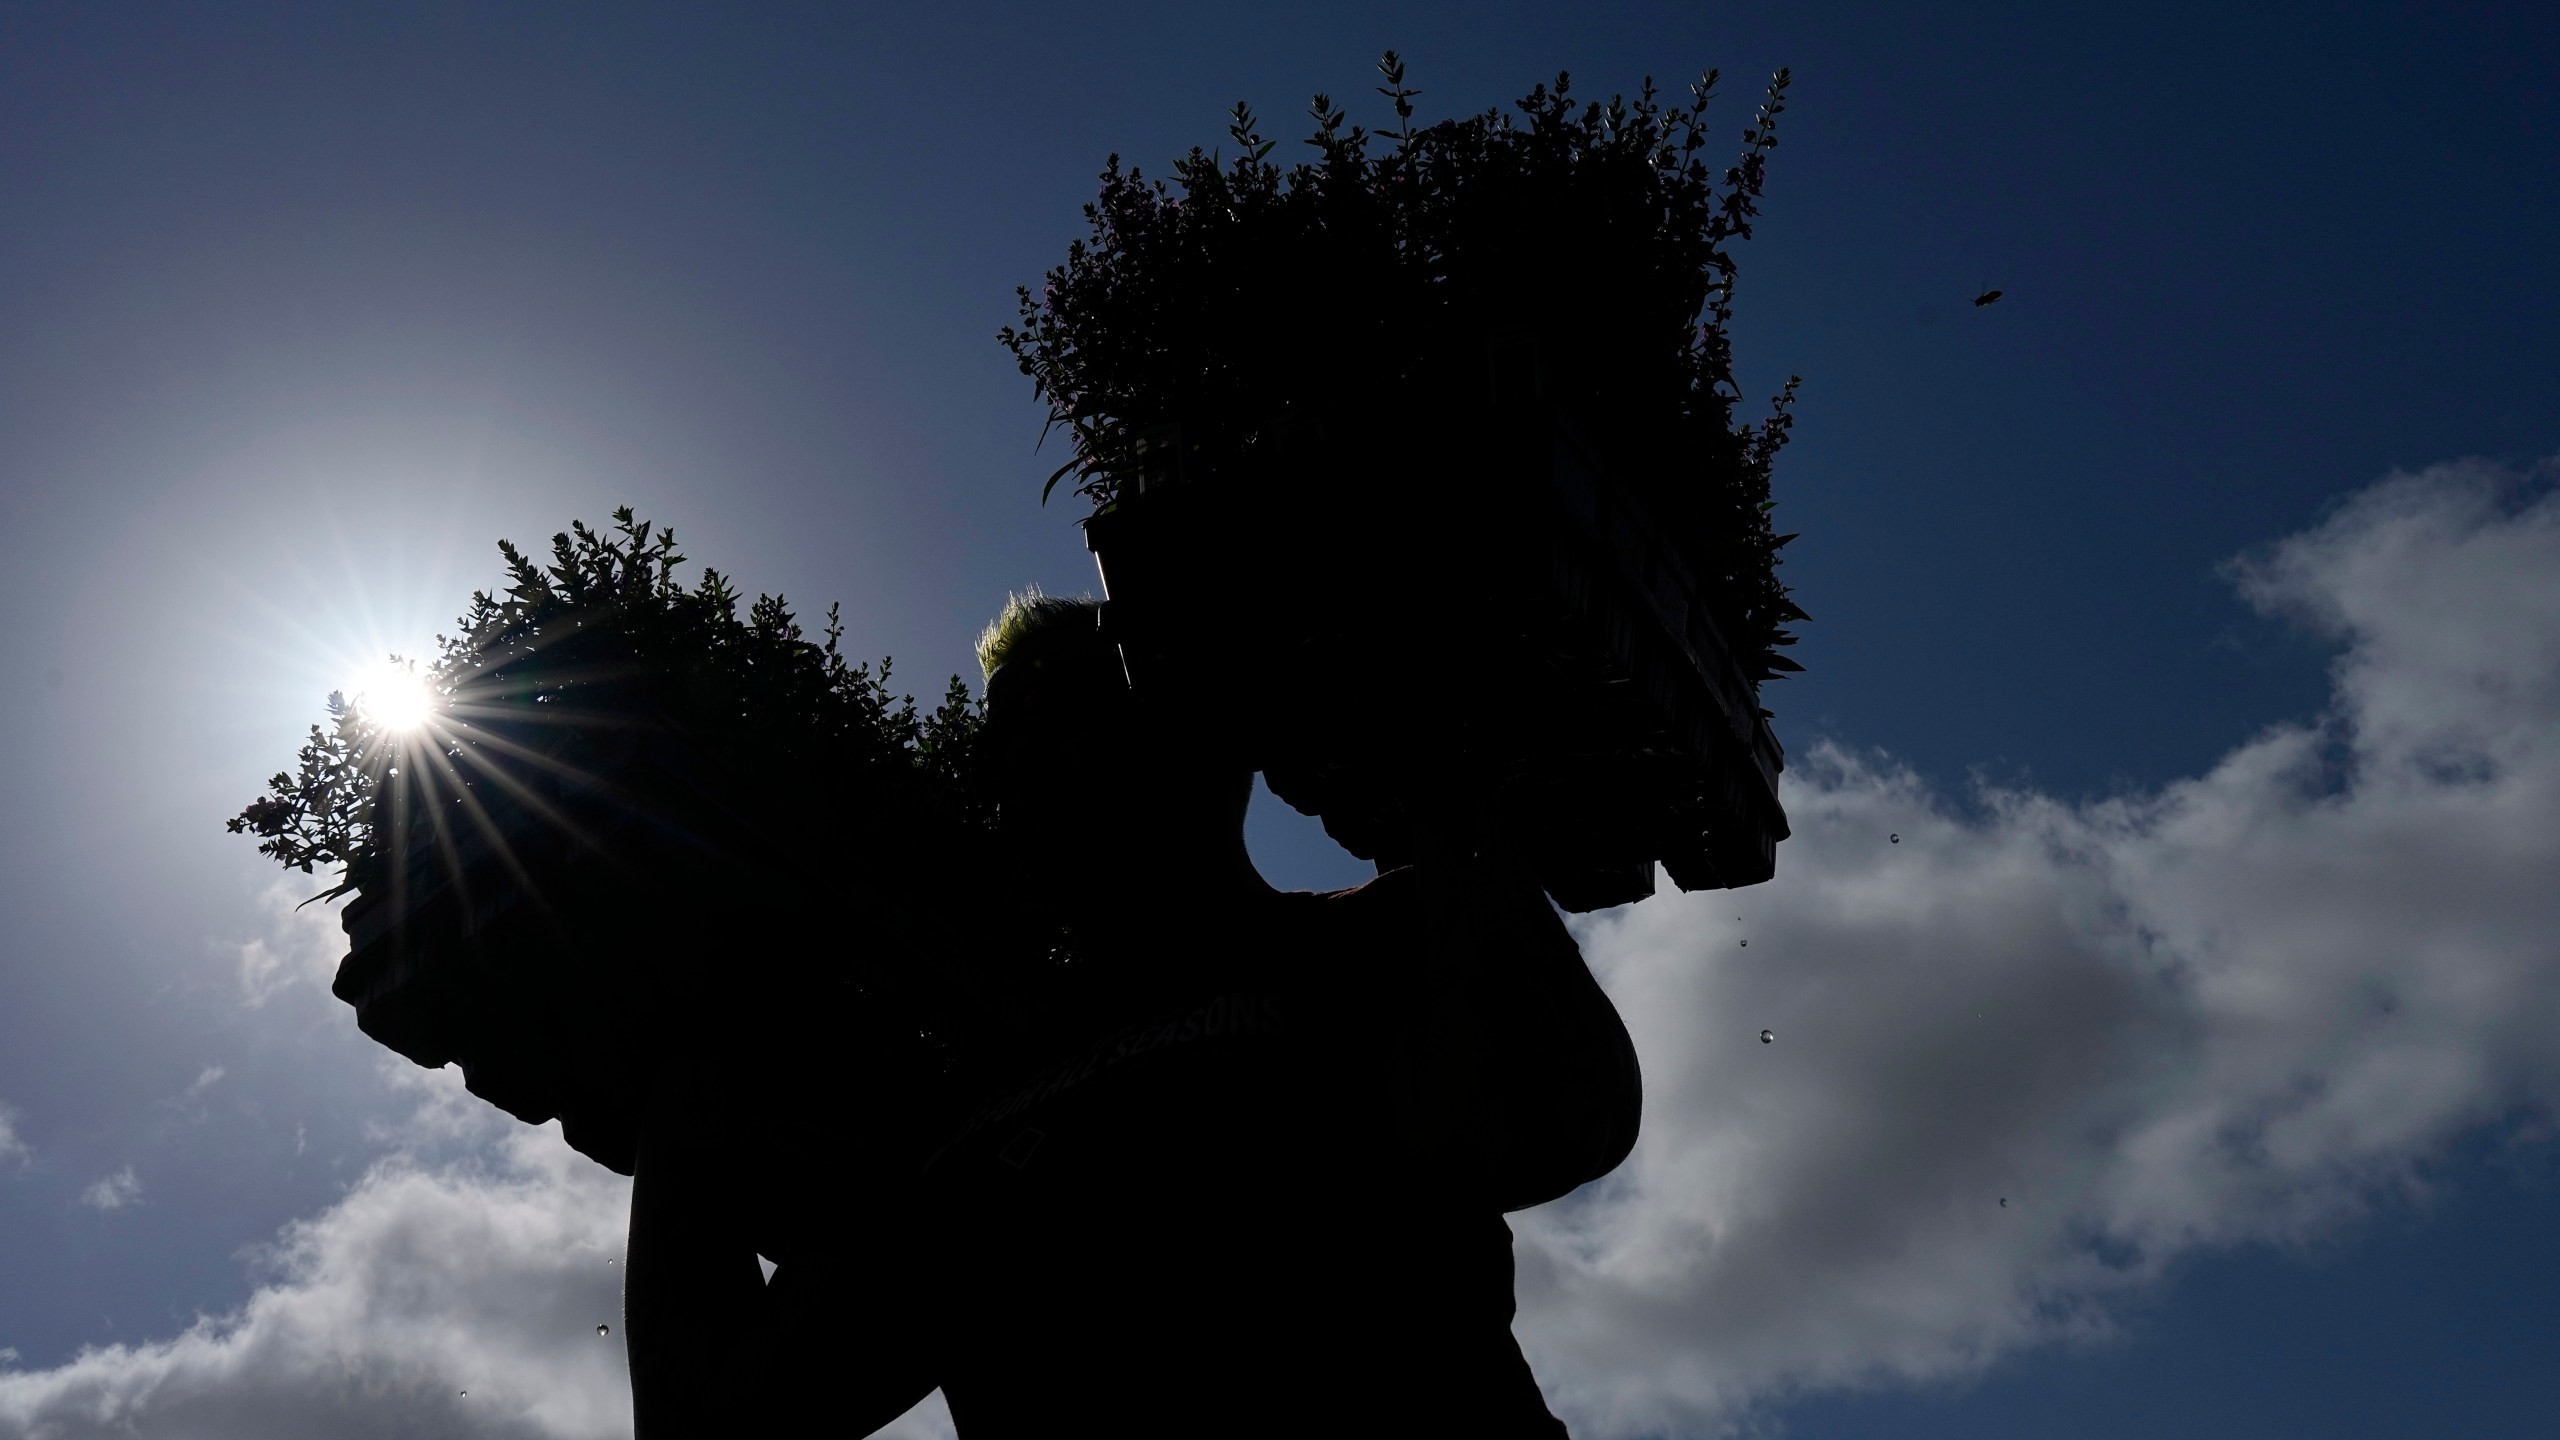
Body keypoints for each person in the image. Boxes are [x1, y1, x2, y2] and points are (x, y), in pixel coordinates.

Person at [925, 590, 1642, 1438]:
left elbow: (1556, 1124)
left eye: (1075, 722)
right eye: (1006, 753)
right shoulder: (968, 1090)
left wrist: (1449, 811)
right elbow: (789, 1377)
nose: (1042, 772)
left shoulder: (1380, 935)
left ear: (1207, 743)